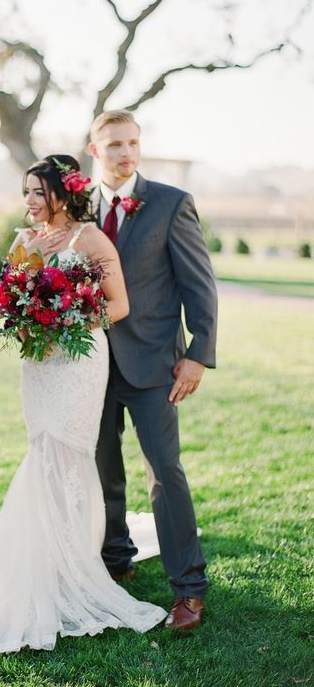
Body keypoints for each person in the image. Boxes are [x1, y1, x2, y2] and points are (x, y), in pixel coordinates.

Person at [0, 155, 167, 652]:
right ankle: (41, 556)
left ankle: (71, 561)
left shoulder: (90, 240)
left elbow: (119, 304)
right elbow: (4, 299)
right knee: (41, 448)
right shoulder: (23, 242)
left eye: (37, 193)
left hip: (79, 363)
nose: (28, 201)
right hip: (39, 366)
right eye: (25, 192)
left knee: (68, 453)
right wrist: (17, 327)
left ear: (63, 194)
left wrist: (65, 325)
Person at [87, 110, 218, 630]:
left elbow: (199, 284)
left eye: (133, 143)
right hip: (90, 364)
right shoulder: (76, 209)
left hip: (155, 362)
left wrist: (197, 353)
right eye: (115, 144)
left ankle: (189, 588)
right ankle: (114, 560)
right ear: (95, 149)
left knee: (165, 473)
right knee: (102, 469)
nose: (126, 152)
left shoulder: (171, 203)